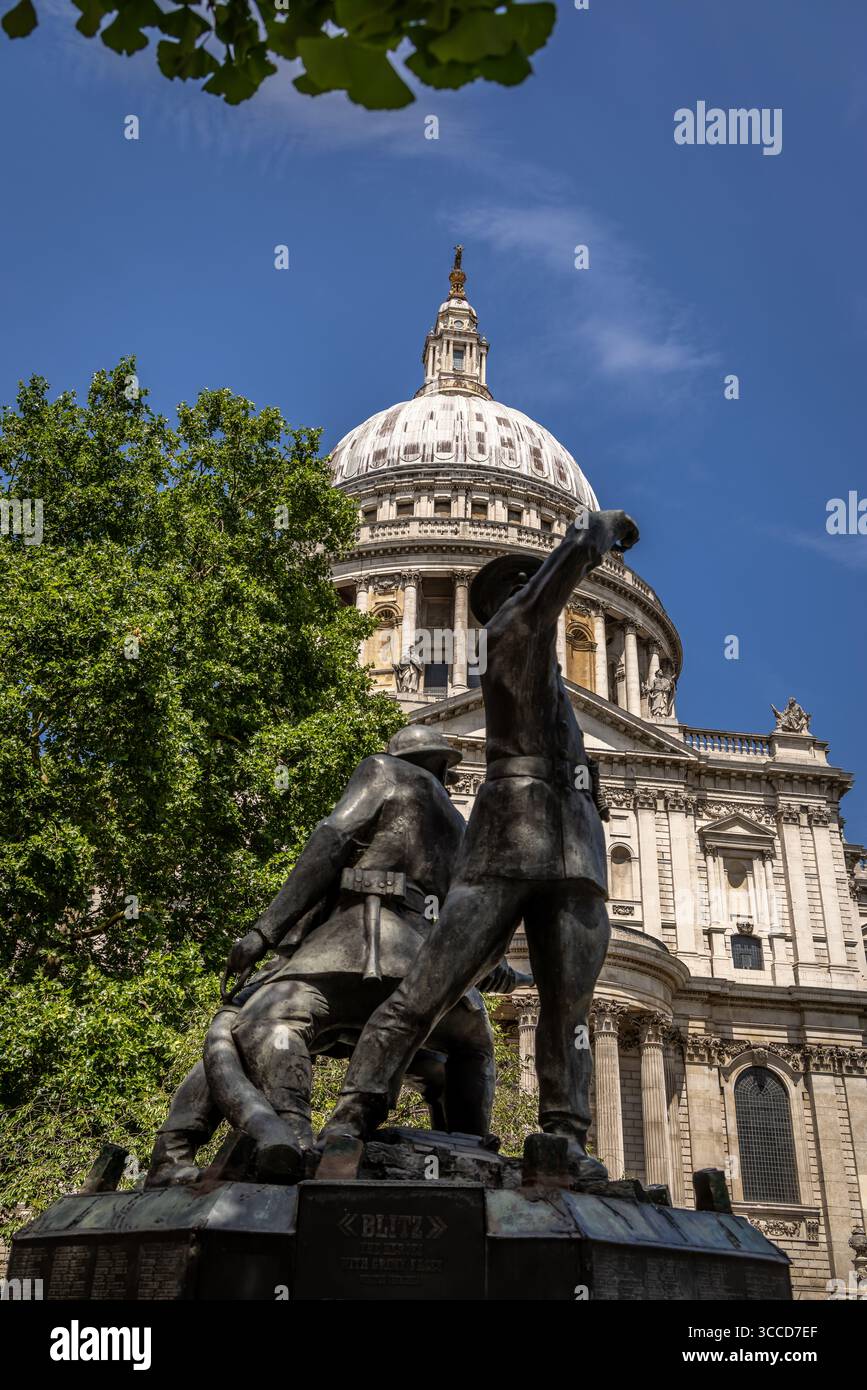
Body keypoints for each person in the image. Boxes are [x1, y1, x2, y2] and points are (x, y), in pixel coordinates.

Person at [320, 508, 639, 1188]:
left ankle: (562, 1137)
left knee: (568, 1010)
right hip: (509, 843)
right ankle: (351, 1114)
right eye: (535, 588)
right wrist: (596, 532)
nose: (549, 602)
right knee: (430, 985)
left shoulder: (557, 696)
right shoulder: (511, 631)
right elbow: (570, 554)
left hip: (572, 860)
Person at [147, 727, 527, 1186]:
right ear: (444, 765)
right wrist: (498, 972)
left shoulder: (385, 770)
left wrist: (263, 933)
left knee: (255, 1022)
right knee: (472, 1046)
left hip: (355, 953)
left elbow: (330, 841)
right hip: (426, 980)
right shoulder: (464, 830)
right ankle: (468, 1151)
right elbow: (472, 922)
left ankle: (273, 1134)